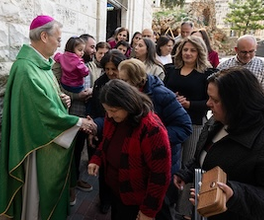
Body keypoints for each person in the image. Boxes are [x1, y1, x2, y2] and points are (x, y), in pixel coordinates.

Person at [0, 15, 96, 220]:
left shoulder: (42, 64)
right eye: (58, 39)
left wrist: (62, 99)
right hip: (35, 144)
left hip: (45, 139)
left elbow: (46, 99)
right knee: (35, 199)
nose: (60, 44)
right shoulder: (25, 68)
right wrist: (79, 122)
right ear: (44, 36)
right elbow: (40, 111)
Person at [174, 67, 264, 220]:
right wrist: (188, 172)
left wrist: (234, 194)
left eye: (215, 100)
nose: (208, 104)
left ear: (238, 103)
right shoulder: (218, 121)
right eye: (208, 97)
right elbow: (205, 157)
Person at [118, 58, 193, 219]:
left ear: (136, 79)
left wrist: (156, 139)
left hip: (162, 164)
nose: (120, 84)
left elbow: (185, 127)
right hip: (139, 165)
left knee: (159, 208)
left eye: (124, 80)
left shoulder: (162, 95)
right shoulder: (130, 94)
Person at [88, 79, 172, 220]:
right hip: (119, 194)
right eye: (106, 110)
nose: (109, 115)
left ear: (127, 104)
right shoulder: (113, 118)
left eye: (113, 110)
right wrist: (97, 158)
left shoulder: (152, 129)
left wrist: (148, 211)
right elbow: (106, 141)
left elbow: (160, 176)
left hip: (139, 199)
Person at [164, 36, 216, 219]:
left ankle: (184, 210)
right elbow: (163, 94)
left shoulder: (206, 74)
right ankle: (167, 200)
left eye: (192, 50)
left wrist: (190, 104)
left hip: (194, 124)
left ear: (199, 52)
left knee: (189, 166)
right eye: (185, 49)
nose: (188, 53)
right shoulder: (171, 70)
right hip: (171, 123)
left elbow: (210, 102)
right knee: (170, 163)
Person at [52, 33, 97, 205]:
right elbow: (55, 88)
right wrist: (76, 95)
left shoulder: (89, 65)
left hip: (86, 115)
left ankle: (75, 180)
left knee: (78, 150)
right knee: (67, 151)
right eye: (90, 47)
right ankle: (66, 187)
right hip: (69, 115)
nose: (91, 50)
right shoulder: (61, 63)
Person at [89, 49, 127, 214]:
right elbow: (95, 108)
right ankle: (105, 200)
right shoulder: (99, 82)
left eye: (114, 69)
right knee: (104, 170)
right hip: (101, 131)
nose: (111, 73)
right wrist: (93, 126)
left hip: (122, 135)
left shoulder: (127, 83)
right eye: (107, 69)